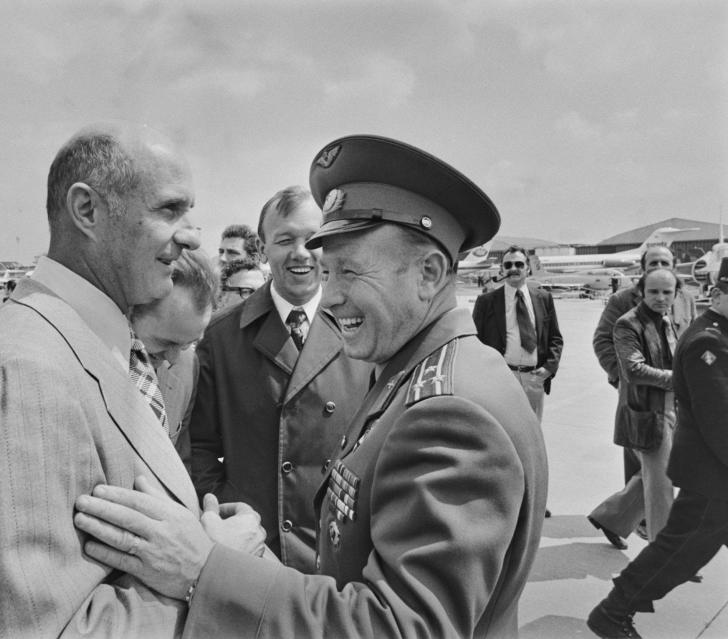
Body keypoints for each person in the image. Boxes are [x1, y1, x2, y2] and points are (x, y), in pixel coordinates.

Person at [75, 134, 548, 637]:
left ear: (428, 274)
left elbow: (397, 628)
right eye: (329, 271)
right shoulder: (426, 369)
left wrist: (203, 569)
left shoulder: (450, 412)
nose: (333, 296)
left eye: (348, 272)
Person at [0, 121, 264, 637]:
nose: (194, 235)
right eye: (169, 210)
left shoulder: (82, 340)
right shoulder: (21, 374)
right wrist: (216, 572)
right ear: (86, 210)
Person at [188, 185, 372, 572]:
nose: (301, 253)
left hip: (344, 545)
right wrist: (227, 512)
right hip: (257, 548)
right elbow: (199, 447)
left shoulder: (366, 328)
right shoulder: (221, 337)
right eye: (285, 239)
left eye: (312, 239)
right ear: (264, 250)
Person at [587, 258, 728, 639]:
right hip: (710, 471)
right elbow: (719, 421)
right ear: (717, 294)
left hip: (706, 459)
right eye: (655, 290)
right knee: (678, 551)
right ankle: (614, 611)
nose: (663, 298)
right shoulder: (707, 341)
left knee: (680, 547)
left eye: (669, 291)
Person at [591, 245, 694, 533]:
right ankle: (661, 552)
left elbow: (690, 340)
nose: (661, 297)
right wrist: (621, 378)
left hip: (679, 401)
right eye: (653, 263)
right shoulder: (625, 307)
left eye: (664, 262)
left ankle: (613, 517)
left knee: (661, 470)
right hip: (644, 401)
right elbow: (606, 345)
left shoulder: (683, 300)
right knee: (661, 478)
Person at [129, 248, 218, 460]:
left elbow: (180, 462)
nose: (173, 359)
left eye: (189, 344)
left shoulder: (188, 367)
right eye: (164, 343)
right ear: (129, 312)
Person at [472, 245, 564, 423]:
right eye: (508, 265)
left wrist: (548, 369)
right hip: (502, 379)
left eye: (519, 264)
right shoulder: (486, 302)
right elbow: (476, 342)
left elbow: (555, 337)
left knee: (532, 434)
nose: (513, 268)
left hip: (534, 379)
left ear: (527, 268)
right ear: (502, 269)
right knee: (503, 433)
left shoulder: (543, 298)